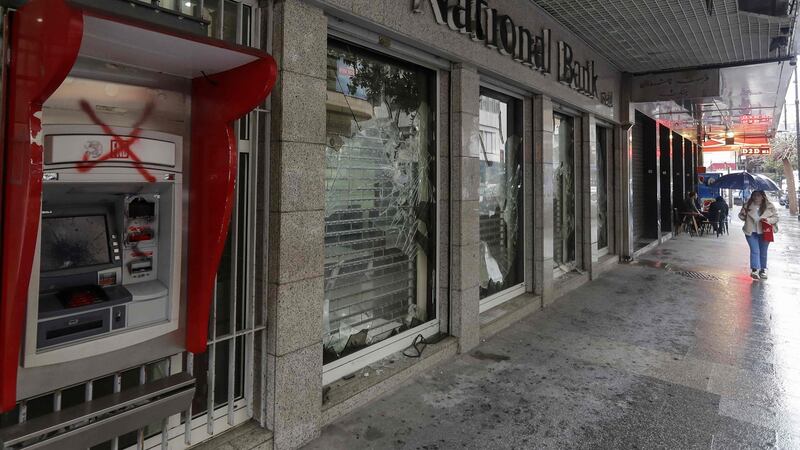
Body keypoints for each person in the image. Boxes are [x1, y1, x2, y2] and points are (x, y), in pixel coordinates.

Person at [737, 190, 779, 280]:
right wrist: (742, 214)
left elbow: (776, 218)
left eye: (758, 195)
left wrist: (768, 220)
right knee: (755, 250)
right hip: (751, 232)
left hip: (765, 232)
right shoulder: (747, 205)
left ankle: (763, 270)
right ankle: (755, 270)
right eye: (754, 195)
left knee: (763, 252)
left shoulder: (769, 206)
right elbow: (742, 217)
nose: (756, 197)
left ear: (763, 196)